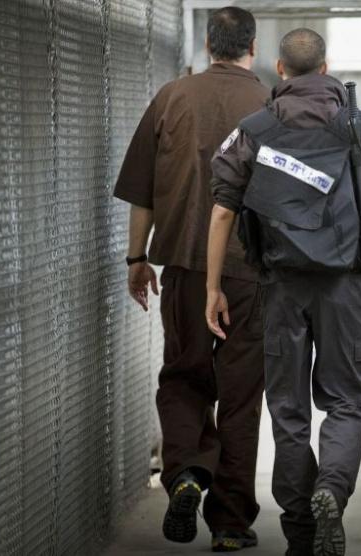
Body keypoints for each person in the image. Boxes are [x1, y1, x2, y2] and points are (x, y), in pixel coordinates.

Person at [206, 28, 361, 556]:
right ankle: (332, 491)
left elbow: (224, 209)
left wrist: (213, 287)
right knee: (346, 402)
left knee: (288, 409)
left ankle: (300, 527)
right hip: (346, 285)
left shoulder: (254, 130)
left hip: (280, 286)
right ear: (326, 67)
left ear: (280, 70)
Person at [113, 7, 268, 552]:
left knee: (183, 377)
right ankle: (230, 523)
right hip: (250, 273)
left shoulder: (171, 97)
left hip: (182, 266)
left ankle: (184, 474)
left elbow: (142, 191)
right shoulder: (270, 105)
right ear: (252, 47)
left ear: (208, 45)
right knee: (241, 395)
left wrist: (137, 258)